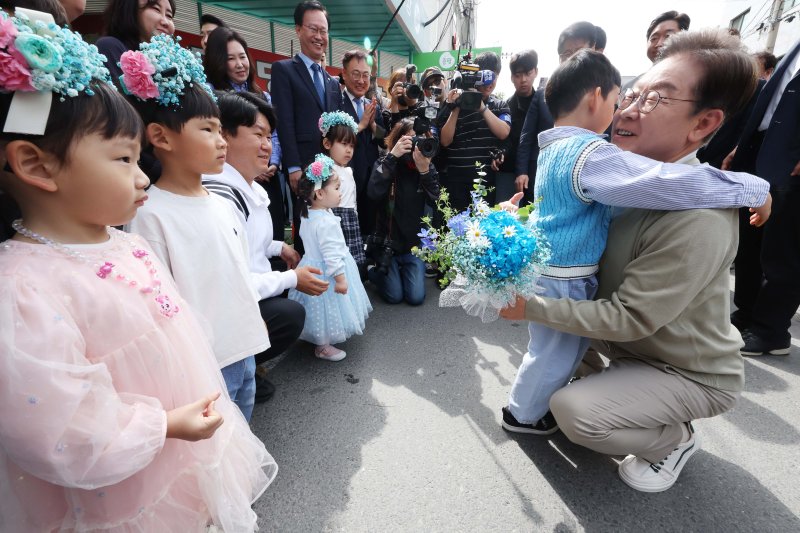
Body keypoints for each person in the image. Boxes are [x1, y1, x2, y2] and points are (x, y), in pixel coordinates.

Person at [0, 15, 275, 530]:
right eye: (123, 159)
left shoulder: (125, 244)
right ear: (36, 166)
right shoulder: (23, 287)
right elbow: (57, 425)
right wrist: (164, 425)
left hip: (186, 440)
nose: (142, 173)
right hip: (125, 487)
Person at [500, 28, 764, 493]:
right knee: (553, 356)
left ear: (703, 125)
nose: (627, 110)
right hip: (627, 347)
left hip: (680, 367)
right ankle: (618, 393)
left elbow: (628, 317)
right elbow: (570, 230)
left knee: (573, 412)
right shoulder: (620, 178)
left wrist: (531, 306)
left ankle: (672, 439)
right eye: (633, 94)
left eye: (655, 100)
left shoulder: (697, 214)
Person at [124, 36, 269, 421]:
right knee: (215, 452)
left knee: (242, 433)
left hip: (242, 346)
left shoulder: (221, 201)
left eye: (221, 131)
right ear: (160, 136)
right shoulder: (151, 214)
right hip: (205, 362)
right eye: (208, 130)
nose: (221, 142)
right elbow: (158, 306)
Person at [203, 92, 328, 402]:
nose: (267, 145)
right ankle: (234, 368)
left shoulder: (247, 186)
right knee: (290, 312)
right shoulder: (221, 196)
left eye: (269, 136)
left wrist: (278, 248)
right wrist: (293, 278)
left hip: (247, 289)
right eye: (257, 134)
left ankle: (247, 366)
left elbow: (251, 239)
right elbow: (236, 280)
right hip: (230, 303)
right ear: (224, 136)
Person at [725, 37, 800, 356]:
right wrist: (743, 146)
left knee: (782, 247)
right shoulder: (795, 47)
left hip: (793, 156)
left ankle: (772, 330)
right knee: (751, 236)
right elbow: (771, 103)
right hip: (761, 146)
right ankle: (747, 313)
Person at [204, 26, 285, 245]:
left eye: (243, 57)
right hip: (232, 172)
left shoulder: (262, 94)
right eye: (231, 58)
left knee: (270, 230)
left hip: (267, 175)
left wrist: (272, 162)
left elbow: (274, 135)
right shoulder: (211, 94)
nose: (240, 64)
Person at [289, 155, 372, 361]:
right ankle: (323, 346)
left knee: (316, 307)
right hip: (328, 271)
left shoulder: (308, 214)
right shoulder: (326, 222)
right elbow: (332, 253)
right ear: (319, 193)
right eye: (336, 188)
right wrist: (341, 279)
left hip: (311, 266)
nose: (340, 193)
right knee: (328, 306)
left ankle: (317, 337)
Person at [368, 119, 440, 305]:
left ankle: (400, 273)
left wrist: (424, 171)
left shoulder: (425, 166)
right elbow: (373, 193)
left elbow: (438, 202)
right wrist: (392, 156)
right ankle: (372, 271)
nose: (415, 144)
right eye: (410, 139)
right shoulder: (386, 162)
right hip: (388, 244)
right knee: (394, 296)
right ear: (398, 140)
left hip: (412, 246)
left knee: (415, 298)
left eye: (419, 139)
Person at [271, 0, 340, 194]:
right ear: (299, 29)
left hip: (329, 168)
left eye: (323, 31)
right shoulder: (283, 70)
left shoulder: (332, 82)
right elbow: (284, 121)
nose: (319, 36)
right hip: (302, 168)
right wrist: (293, 166)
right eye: (313, 29)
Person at [438, 51, 510, 211]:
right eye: (485, 76)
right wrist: (456, 106)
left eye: (494, 77)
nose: (489, 83)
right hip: (455, 181)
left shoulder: (499, 105)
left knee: (482, 232)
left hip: (484, 181)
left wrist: (481, 106)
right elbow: (445, 141)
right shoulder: (454, 104)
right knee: (455, 232)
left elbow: (504, 132)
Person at [338, 49, 385, 238]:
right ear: (344, 74)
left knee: (368, 228)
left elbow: (384, 138)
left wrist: (372, 124)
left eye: (365, 75)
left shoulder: (372, 104)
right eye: (356, 74)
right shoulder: (336, 102)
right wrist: (362, 124)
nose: (361, 80)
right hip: (345, 179)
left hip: (370, 179)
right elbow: (335, 139)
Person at [318, 111, 367, 272]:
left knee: (350, 264)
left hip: (350, 218)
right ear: (327, 144)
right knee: (335, 260)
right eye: (344, 144)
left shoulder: (348, 171)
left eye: (351, 145)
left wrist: (355, 214)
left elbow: (352, 200)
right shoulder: (325, 169)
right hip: (333, 220)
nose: (348, 150)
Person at [95, 0, 175, 82]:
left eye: (169, 16)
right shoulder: (110, 46)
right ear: (130, 9)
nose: (165, 22)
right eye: (156, 9)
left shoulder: (168, 63)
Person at [499, 49, 538, 202]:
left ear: (535, 72)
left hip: (537, 172)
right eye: (518, 75)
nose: (523, 79)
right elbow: (504, 140)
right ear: (511, 78)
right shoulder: (506, 106)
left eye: (528, 73)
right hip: (510, 174)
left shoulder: (545, 104)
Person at [382, 67, 419, 134]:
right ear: (391, 90)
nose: (405, 89)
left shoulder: (420, 109)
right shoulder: (386, 115)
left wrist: (413, 106)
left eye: (409, 84)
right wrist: (394, 107)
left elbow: (418, 132)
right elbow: (391, 140)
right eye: (402, 84)